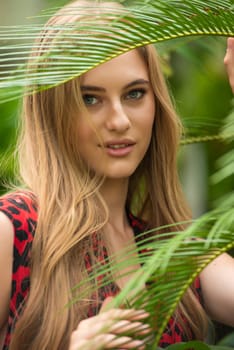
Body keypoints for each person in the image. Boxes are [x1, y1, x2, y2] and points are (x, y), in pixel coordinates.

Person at [0, 1, 233, 349]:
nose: (120, 121)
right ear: (53, 111)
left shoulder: (168, 249)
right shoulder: (15, 230)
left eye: (134, 94)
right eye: (90, 99)